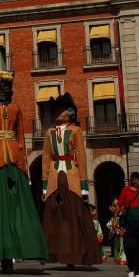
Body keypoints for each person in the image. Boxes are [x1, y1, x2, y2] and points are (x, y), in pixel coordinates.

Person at [0, 49, 49, 273]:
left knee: (17, 210)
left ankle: (18, 250)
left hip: (13, 161)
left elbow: (22, 138)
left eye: (6, 86)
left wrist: (24, 168)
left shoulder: (16, 108)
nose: (3, 90)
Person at [39, 95, 101, 267]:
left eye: (62, 110)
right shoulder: (49, 133)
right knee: (53, 216)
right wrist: (44, 186)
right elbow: (45, 158)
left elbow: (81, 157)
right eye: (56, 111)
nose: (58, 114)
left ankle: (76, 256)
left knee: (75, 215)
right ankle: (52, 254)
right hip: (53, 176)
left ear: (70, 112)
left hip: (72, 175)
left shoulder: (76, 131)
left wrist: (84, 186)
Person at [107, 199, 127, 266]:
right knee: (117, 247)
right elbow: (110, 225)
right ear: (110, 208)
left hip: (124, 234)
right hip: (117, 236)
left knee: (123, 247)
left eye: (120, 206)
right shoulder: (113, 218)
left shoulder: (124, 216)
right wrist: (114, 230)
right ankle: (119, 258)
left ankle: (124, 259)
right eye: (114, 206)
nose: (117, 208)